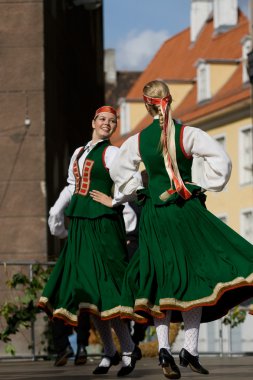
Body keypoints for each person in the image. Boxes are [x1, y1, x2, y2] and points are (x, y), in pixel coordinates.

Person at [110, 80, 253, 379]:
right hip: (184, 210)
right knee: (194, 278)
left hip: (154, 217)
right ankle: (191, 349)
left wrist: (137, 190)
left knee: (163, 280)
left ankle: (166, 349)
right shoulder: (188, 133)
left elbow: (120, 171)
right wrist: (202, 185)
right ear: (169, 100)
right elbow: (221, 160)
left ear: (147, 105)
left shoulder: (137, 141)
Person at [38, 106, 141, 376]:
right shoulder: (79, 152)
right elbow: (73, 185)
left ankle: (128, 349)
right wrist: (56, 211)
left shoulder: (112, 152)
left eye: (112, 121)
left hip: (104, 226)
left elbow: (133, 182)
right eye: (103, 119)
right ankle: (109, 351)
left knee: (108, 292)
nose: (107, 124)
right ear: (93, 121)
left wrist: (115, 200)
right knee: (88, 292)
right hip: (82, 225)